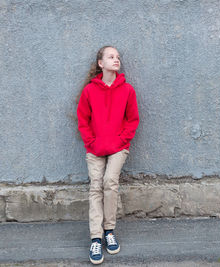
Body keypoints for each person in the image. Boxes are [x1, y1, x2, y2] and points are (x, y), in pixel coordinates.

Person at [76, 46, 139, 264]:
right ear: (100, 63)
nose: (116, 59)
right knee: (96, 186)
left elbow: (133, 120)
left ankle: (109, 231)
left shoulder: (127, 90)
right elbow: (83, 120)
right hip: (95, 149)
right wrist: (91, 142)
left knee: (110, 182)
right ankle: (96, 237)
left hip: (118, 147)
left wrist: (122, 141)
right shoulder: (89, 91)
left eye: (118, 57)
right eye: (111, 56)